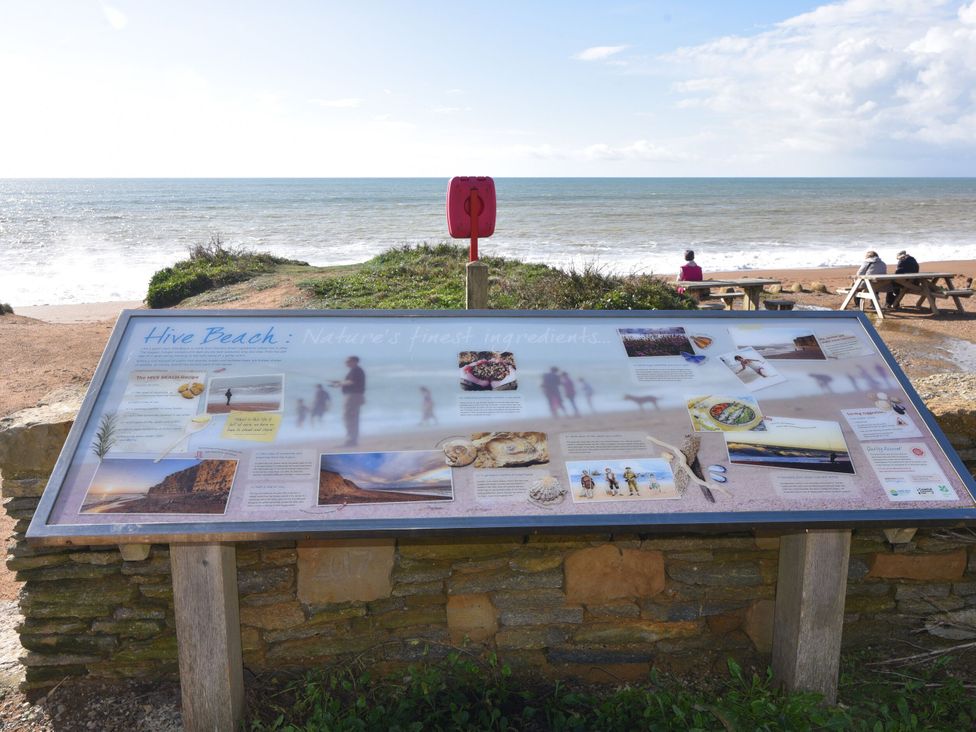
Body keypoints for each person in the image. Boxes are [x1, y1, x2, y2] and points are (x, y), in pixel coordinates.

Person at [330, 356, 366, 447]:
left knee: (349, 418)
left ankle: (351, 440)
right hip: (355, 396)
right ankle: (352, 440)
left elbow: (351, 382)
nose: (346, 363)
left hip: (353, 396)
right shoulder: (356, 370)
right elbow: (350, 381)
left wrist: (339, 384)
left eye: (348, 361)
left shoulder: (356, 370)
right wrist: (339, 382)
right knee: (351, 418)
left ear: (354, 362)